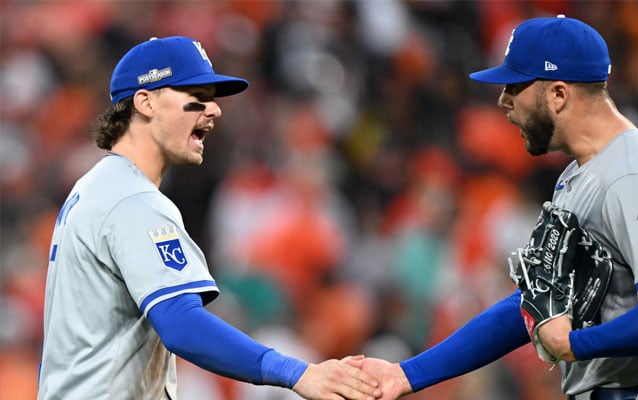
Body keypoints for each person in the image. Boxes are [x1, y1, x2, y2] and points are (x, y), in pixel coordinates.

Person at [360, 15, 638, 400]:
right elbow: (531, 303)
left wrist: (577, 344)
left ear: (558, 94)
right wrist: (407, 375)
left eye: (515, 85)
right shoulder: (580, 175)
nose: (503, 100)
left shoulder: (631, 176)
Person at [37, 36, 382, 400]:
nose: (214, 109)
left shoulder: (94, 186)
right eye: (196, 97)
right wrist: (296, 372)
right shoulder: (132, 199)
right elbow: (182, 324)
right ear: (145, 101)